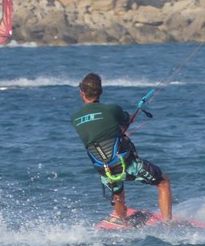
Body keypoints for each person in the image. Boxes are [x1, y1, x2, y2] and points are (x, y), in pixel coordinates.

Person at [71, 72, 172, 226]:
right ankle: (168, 223)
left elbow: (96, 133)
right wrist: (123, 128)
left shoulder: (75, 118)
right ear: (101, 92)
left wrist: (118, 132)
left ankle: (123, 223)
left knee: (118, 193)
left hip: (104, 170)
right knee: (163, 182)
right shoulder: (112, 109)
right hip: (126, 164)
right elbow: (126, 120)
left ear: (82, 93)